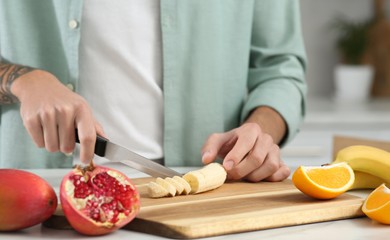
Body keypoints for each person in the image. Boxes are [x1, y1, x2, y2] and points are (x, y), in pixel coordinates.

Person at [0, 0, 307, 182]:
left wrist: (260, 131)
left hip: (198, 195)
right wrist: (23, 80)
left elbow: (281, 69)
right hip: (33, 192)